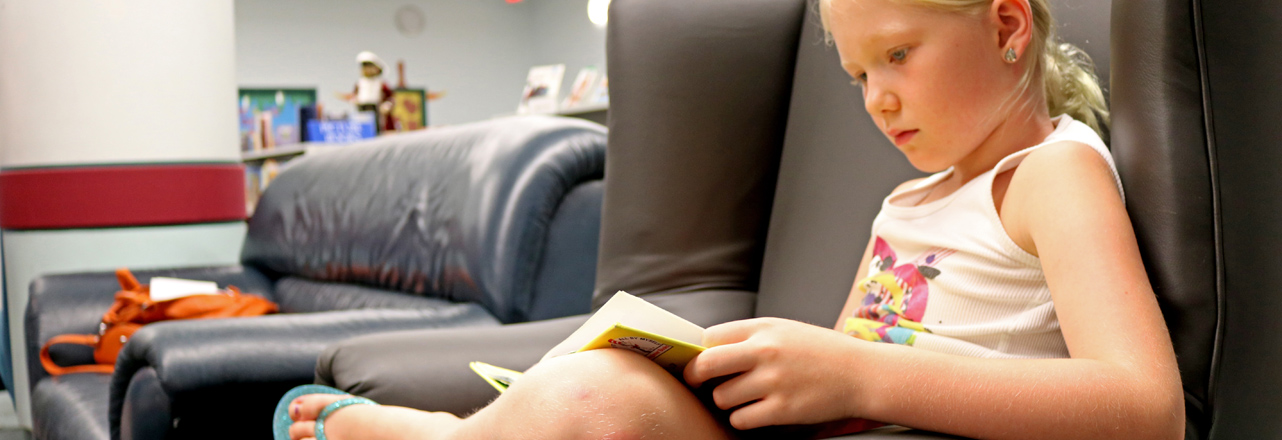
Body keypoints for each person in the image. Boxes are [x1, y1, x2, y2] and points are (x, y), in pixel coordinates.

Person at [282, 0, 1185, 438]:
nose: (877, 99)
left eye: (899, 56)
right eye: (859, 75)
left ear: (1006, 23)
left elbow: (1147, 409)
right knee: (593, 383)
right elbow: (847, 362)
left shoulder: (1052, 174)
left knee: (594, 403)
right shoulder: (909, 199)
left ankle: (454, 439)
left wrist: (863, 378)